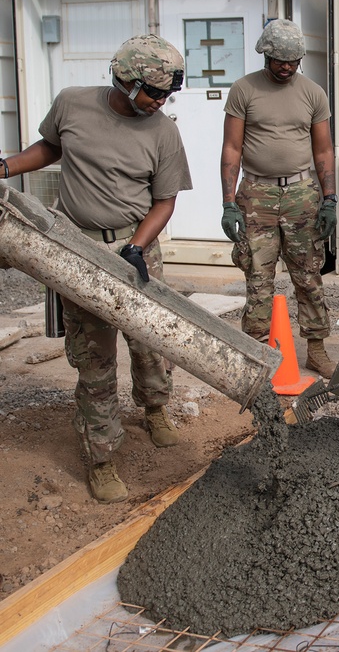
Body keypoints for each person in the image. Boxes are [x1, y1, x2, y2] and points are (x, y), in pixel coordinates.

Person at [0, 35, 192, 504]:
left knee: (150, 342)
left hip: (135, 245)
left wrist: (136, 247)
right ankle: (102, 457)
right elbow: (50, 147)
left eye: (168, 94)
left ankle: (155, 408)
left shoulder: (163, 132)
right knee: (95, 356)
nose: (160, 102)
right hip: (77, 249)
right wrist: (5, 166)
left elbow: (164, 202)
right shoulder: (72, 105)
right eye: (153, 92)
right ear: (123, 81)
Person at [220, 19, 339, 378]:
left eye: (293, 61)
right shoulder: (243, 90)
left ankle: (316, 349)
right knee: (258, 275)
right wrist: (228, 202)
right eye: (279, 60)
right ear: (265, 55)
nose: (286, 67)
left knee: (308, 273)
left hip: (302, 194)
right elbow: (232, 147)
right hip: (256, 193)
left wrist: (329, 198)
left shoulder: (313, 93)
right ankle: (256, 354)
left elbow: (323, 150)